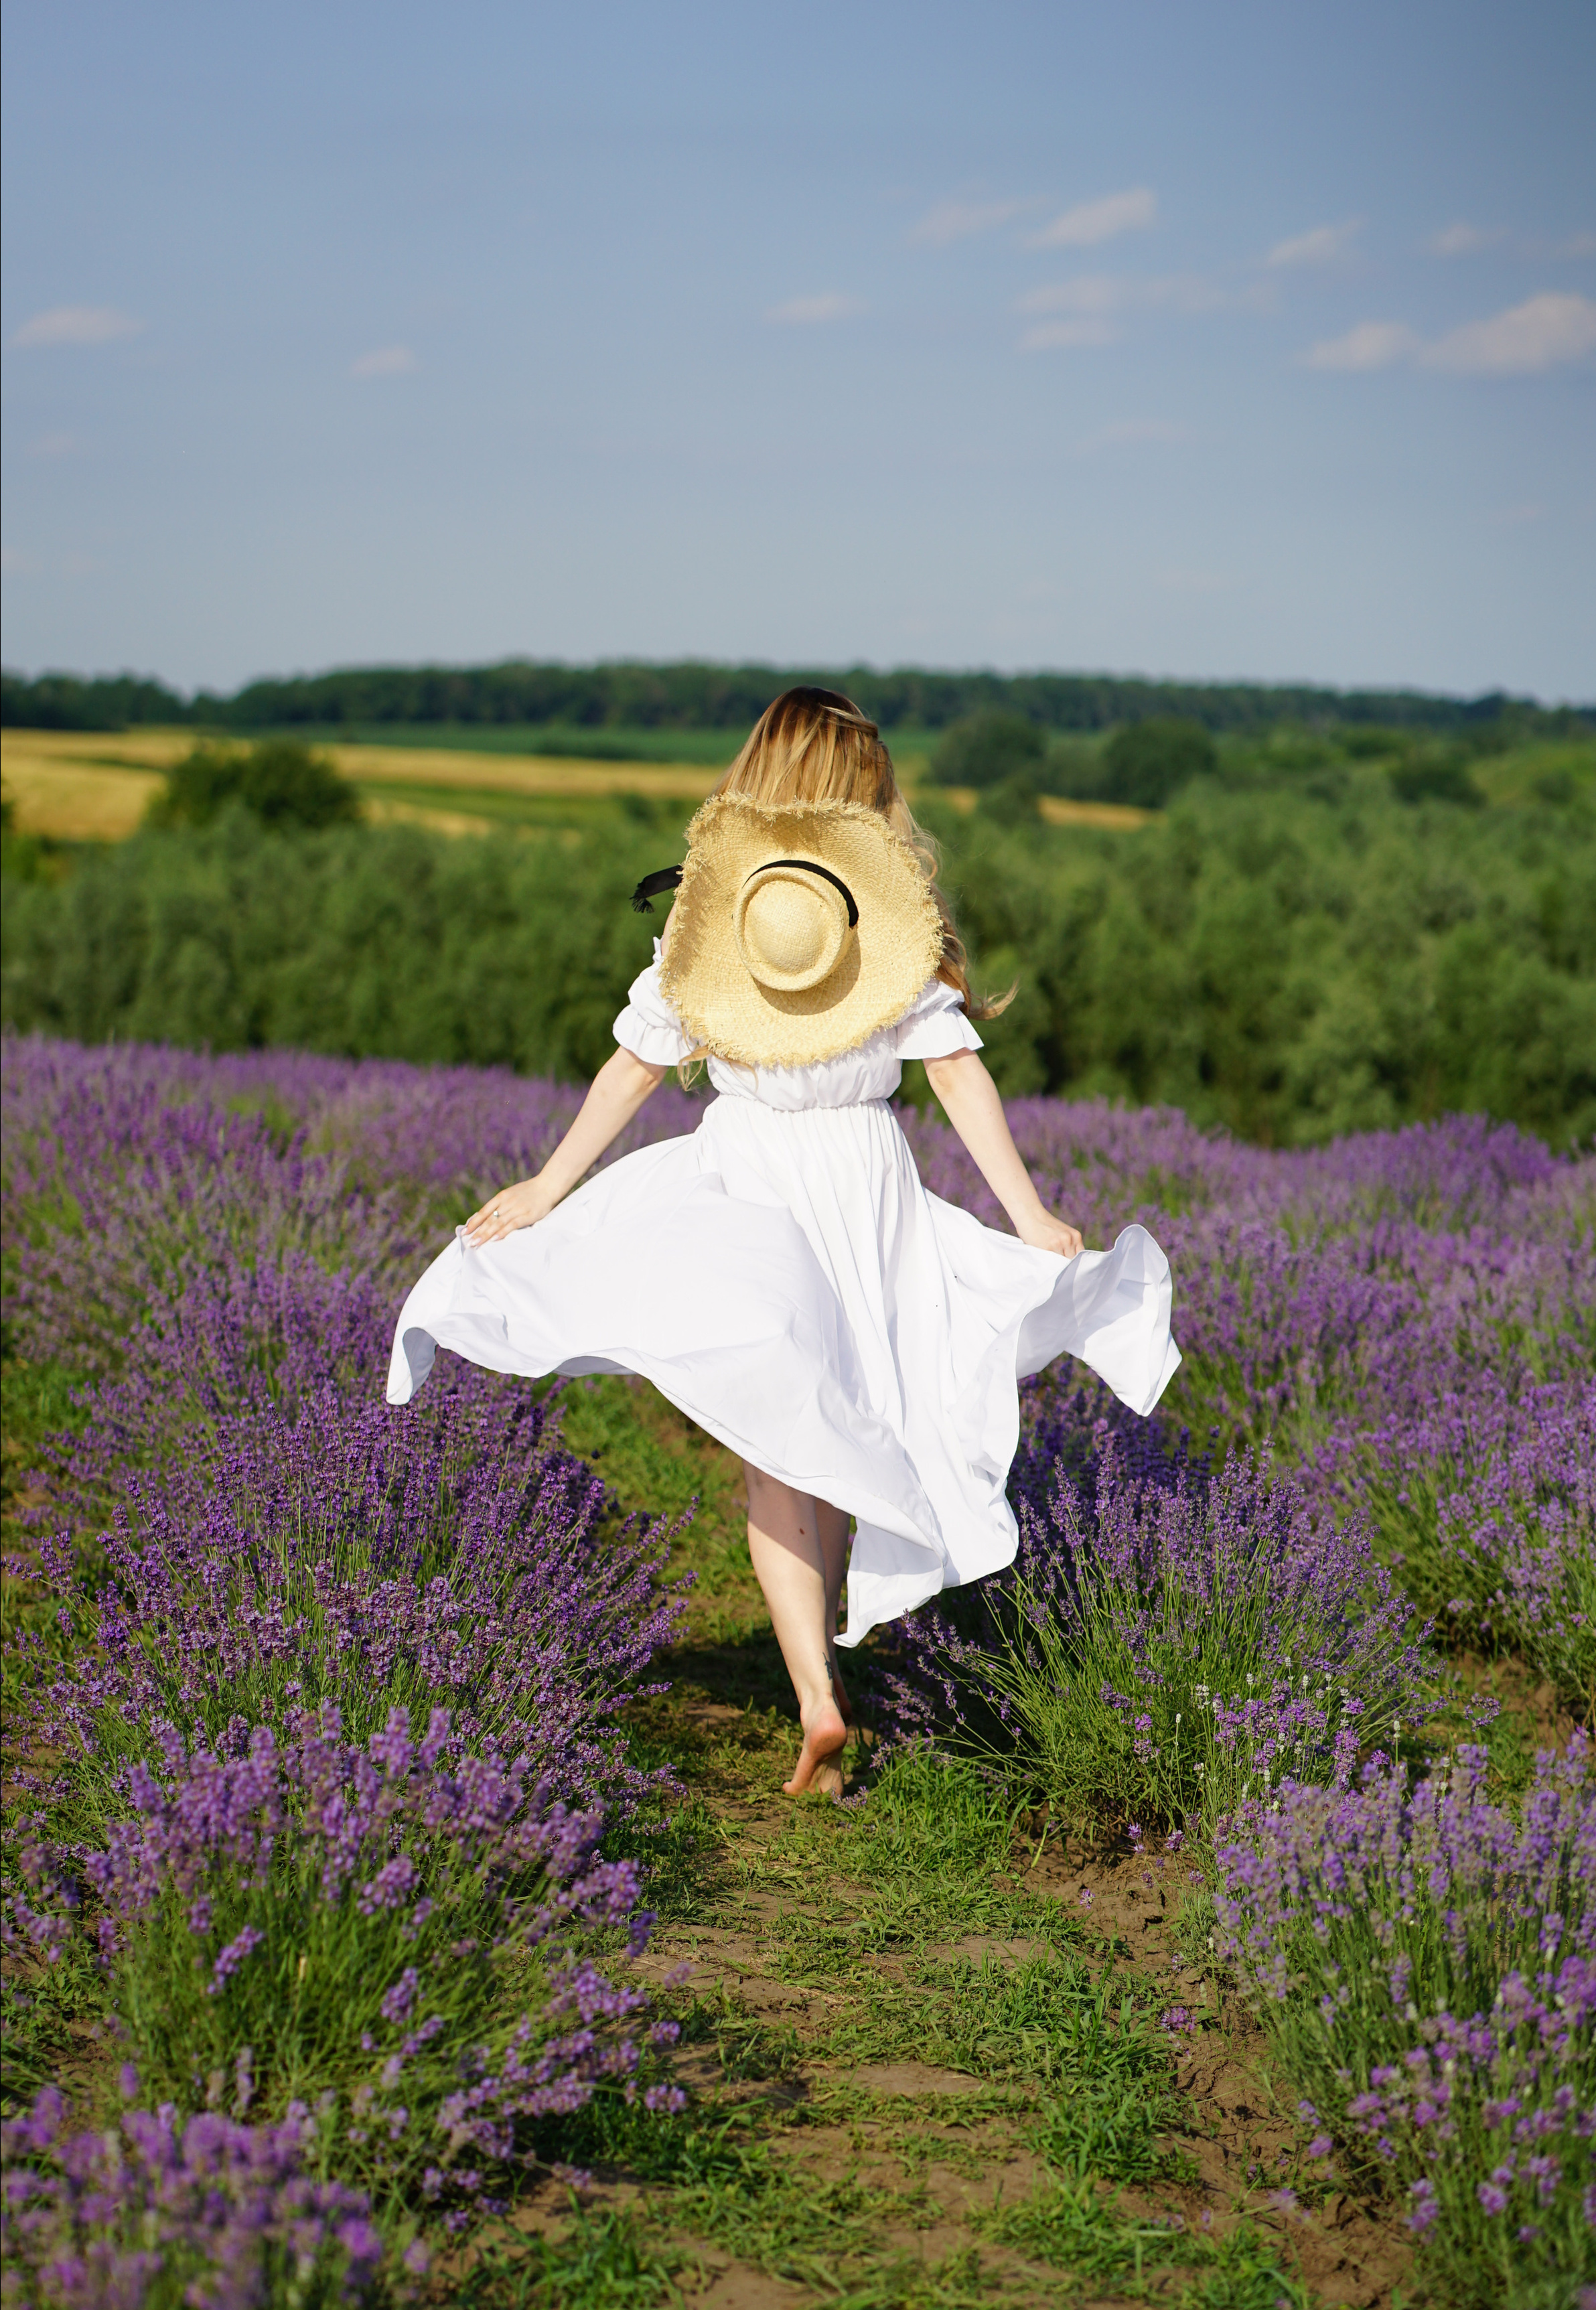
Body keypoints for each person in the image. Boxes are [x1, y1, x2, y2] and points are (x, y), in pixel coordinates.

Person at [387, 689, 1179, 1799]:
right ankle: (845, 1663)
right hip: (865, 1182)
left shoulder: (715, 919)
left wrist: (552, 1185)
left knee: (781, 1444)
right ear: (868, 792)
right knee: (855, 1416)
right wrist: (1027, 1216)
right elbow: (957, 1071)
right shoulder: (887, 921)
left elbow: (637, 1064)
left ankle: (816, 1695)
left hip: (746, 1177)